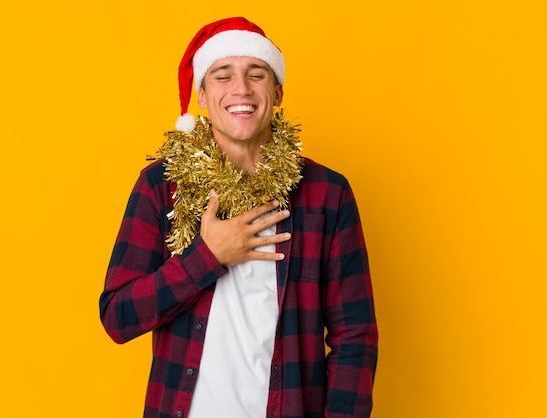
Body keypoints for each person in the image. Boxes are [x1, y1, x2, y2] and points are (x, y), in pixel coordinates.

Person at [100, 17, 378, 418]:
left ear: (277, 91)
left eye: (256, 74)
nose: (241, 89)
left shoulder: (327, 194)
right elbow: (118, 316)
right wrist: (205, 257)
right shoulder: (162, 186)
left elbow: (355, 337)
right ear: (201, 94)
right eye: (222, 75)